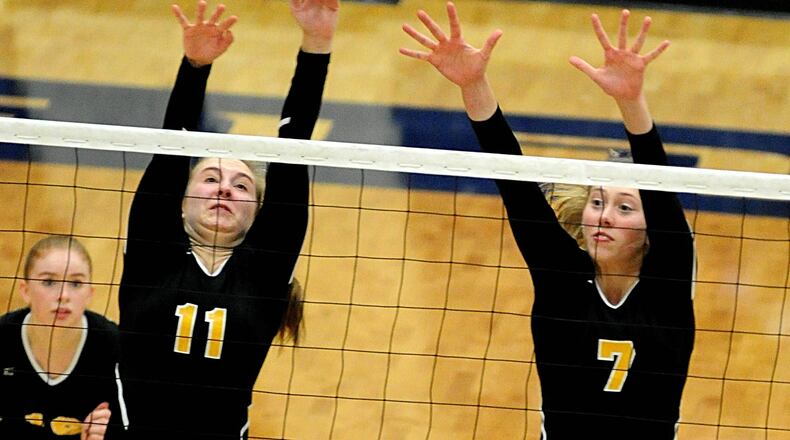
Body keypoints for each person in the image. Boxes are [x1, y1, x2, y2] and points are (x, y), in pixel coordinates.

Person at [401, 4, 695, 439]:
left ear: (652, 231)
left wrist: (631, 101)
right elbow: (514, 185)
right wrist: (474, 85)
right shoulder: (562, 278)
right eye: (598, 202)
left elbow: (660, 189)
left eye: (625, 208)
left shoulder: (667, 288)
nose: (604, 216)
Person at [116, 1, 338, 438]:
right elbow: (172, 148)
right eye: (210, 178)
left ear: (258, 212)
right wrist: (194, 67)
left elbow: (294, 147)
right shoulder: (153, 254)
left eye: (241, 185)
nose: (224, 189)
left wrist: (317, 44)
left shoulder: (264, 272)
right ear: (181, 202)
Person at [0, 236, 121, 440]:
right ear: (25, 290)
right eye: (48, 282)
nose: (63, 295)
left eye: (76, 283)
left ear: (90, 293)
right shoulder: (3, 337)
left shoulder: (114, 346)